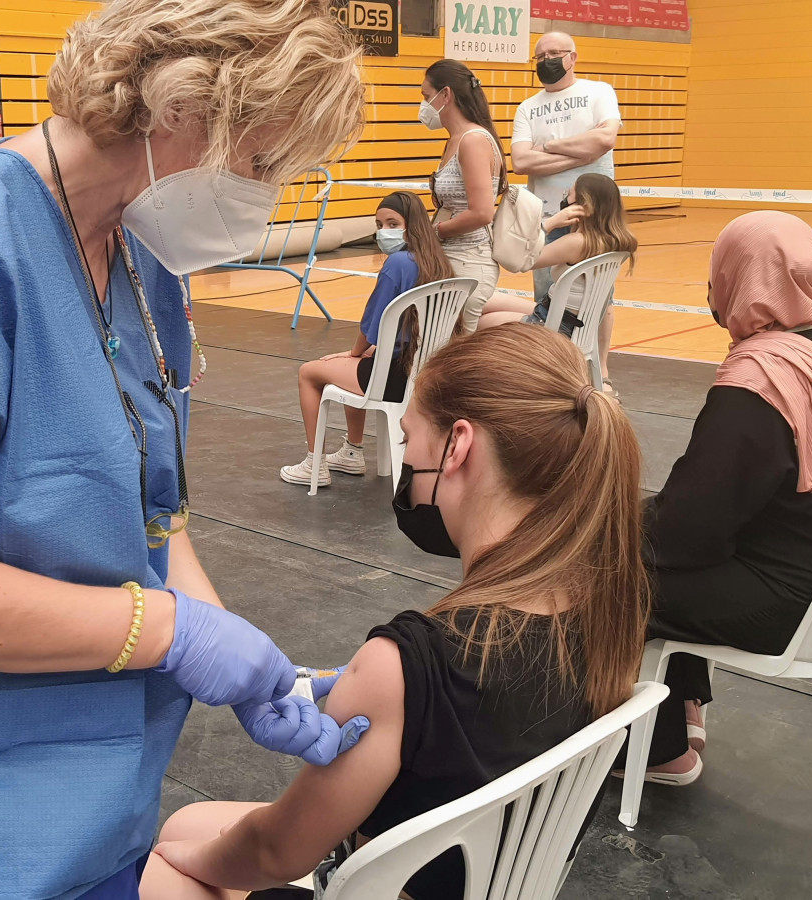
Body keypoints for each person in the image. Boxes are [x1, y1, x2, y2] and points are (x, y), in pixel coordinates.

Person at [0, 1, 370, 897]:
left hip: (111, 773)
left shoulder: (137, 260)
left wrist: (246, 660)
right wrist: (173, 632)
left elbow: (153, 508)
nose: (266, 193)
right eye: (262, 162)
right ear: (186, 106)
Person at [141, 324, 650, 899]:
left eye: (410, 439)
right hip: (490, 879)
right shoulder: (608, 608)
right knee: (192, 827)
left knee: (165, 863)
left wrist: (187, 862)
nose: (407, 462)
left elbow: (274, 853)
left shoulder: (408, 663)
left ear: (458, 446)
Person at [640, 211, 812, 785]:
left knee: (609, 573)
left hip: (797, 609)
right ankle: (685, 705)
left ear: (733, 277)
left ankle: (660, 750)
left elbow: (685, 534)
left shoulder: (760, 381)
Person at [279, 191, 452, 486]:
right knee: (358, 361)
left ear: (412, 225)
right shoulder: (439, 261)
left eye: (392, 223)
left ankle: (314, 465)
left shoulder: (397, 263)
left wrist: (354, 352)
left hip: (393, 375)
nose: (384, 231)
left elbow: (370, 326)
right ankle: (350, 453)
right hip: (426, 371)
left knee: (310, 372)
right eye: (379, 224)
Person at [477, 173, 636, 396]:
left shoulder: (577, 243)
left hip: (554, 325)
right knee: (486, 300)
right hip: (572, 320)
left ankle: (499, 385)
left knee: (479, 319)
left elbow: (522, 261)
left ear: (584, 207)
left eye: (568, 195)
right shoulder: (619, 241)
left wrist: (549, 224)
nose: (564, 200)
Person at [511, 32, 622, 321]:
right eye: (540, 57)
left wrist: (548, 146)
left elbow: (606, 138)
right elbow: (521, 161)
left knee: (598, 302)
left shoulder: (599, 92)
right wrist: (582, 153)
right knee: (547, 302)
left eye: (554, 54)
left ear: (572, 58)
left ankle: (600, 366)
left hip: (591, 218)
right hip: (547, 216)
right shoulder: (527, 107)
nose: (546, 61)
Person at [420, 59, 507, 333]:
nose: (423, 106)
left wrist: (433, 232)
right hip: (452, 260)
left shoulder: (473, 140)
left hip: (468, 262)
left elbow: (482, 213)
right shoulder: (456, 140)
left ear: (445, 95)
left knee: (451, 356)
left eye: (426, 96)